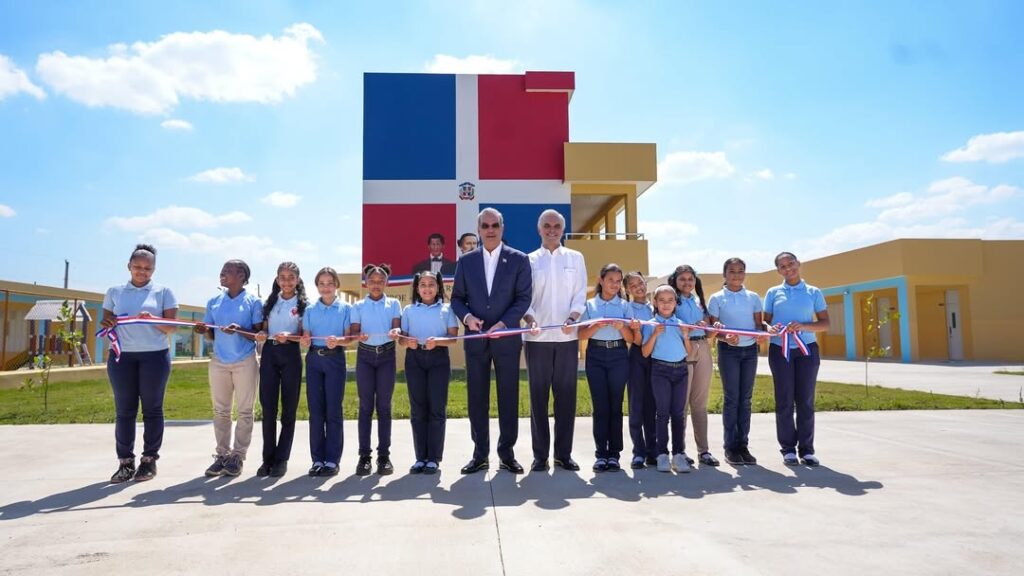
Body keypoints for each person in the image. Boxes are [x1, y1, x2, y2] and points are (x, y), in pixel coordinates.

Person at [450, 207, 532, 474]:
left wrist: (504, 323)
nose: (490, 230)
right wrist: (468, 318)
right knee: (477, 398)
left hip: (506, 340)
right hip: (476, 340)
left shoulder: (519, 260)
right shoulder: (466, 261)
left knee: (508, 396)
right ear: (479, 230)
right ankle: (480, 454)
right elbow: (457, 299)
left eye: (494, 225)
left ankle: (506, 453)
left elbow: (523, 298)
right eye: (485, 226)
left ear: (502, 227)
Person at [102, 244, 178, 483]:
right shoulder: (114, 292)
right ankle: (125, 462)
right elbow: (106, 321)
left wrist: (154, 320)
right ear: (129, 266)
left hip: (155, 356)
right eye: (138, 267)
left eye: (148, 268)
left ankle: (149, 460)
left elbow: (171, 327)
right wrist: (109, 323)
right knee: (124, 411)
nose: (142, 271)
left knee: (152, 409)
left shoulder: (164, 292)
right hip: (121, 357)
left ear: (154, 269)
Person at [523, 209, 587, 472]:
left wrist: (573, 318)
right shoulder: (528, 260)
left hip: (566, 338)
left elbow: (580, 294)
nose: (552, 230)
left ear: (563, 229)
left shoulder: (576, 258)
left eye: (557, 226)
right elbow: (523, 297)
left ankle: (563, 454)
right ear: (539, 229)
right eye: (547, 226)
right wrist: (530, 320)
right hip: (537, 339)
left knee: (566, 398)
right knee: (538, 398)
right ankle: (540, 456)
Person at [195, 259, 264, 478]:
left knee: (245, 410)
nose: (222, 273)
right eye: (222, 270)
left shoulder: (253, 302)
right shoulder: (213, 301)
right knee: (221, 410)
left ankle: (238, 456)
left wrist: (239, 329)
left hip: (245, 360)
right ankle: (222, 455)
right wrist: (202, 330)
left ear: (242, 275)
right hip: (219, 362)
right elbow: (210, 333)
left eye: (228, 271)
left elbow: (258, 334)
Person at [764, 252, 830, 466]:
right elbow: (764, 323)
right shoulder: (773, 293)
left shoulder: (813, 292)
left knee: (805, 400)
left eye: (790, 264)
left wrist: (805, 326)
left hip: (807, 351)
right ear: (778, 271)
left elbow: (825, 323)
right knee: (784, 400)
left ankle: (807, 450)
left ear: (798, 264)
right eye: (782, 266)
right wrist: (770, 328)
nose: (788, 268)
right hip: (779, 350)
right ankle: (788, 449)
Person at [390, 271, 459, 474]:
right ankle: (420, 457)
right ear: (417, 288)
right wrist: (406, 341)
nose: (427, 288)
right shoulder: (409, 310)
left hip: (438, 359)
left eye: (431, 284)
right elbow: (402, 339)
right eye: (423, 285)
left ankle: (434, 458)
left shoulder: (447, 309)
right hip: (415, 360)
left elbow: (453, 338)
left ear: (438, 287)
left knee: (437, 408)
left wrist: (437, 341)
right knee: (418, 408)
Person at [577, 263, 635, 472]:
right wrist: (595, 326)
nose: (614, 284)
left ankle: (615, 454)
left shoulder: (624, 306)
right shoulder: (590, 305)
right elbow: (580, 334)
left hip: (619, 355)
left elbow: (632, 339)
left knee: (615, 405)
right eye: (610, 280)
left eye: (618, 281)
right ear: (601, 280)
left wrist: (622, 328)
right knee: (600, 406)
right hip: (596, 355)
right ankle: (601, 453)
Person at [707, 257, 765, 466]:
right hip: (728, 352)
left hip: (750, 352)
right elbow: (714, 329)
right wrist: (725, 337)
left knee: (746, 399)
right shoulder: (716, 298)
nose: (737, 275)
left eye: (741, 271)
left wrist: (760, 334)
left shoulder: (753, 297)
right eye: (732, 271)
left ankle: (743, 446)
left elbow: (759, 324)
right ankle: (730, 447)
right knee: (732, 398)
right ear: (725, 274)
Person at [254, 262, 308, 478]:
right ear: (277, 280)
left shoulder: (304, 305)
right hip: (269, 354)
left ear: (297, 280)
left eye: (291, 277)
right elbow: (264, 330)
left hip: (291, 355)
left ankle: (281, 459)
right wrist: (260, 334)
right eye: (282, 277)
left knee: (288, 410)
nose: (286, 281)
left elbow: (305, 336)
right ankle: (267, 458)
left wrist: (290, 336)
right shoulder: (269, 302)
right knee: (268, 409)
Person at [300, 267, 354, 477]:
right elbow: (306, 336)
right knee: (316, 411)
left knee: (333, 410)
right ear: (317, 286)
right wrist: (305, 339)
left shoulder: (345, 309)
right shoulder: (310, 310)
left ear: (336, 285)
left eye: (329, 283)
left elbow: (349, 338)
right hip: (314, 360)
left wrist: (339, 340)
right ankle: (317, 460)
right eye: (321, 283)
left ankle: (332, 460)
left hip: (335, 360)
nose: (326, 287)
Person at [350, 264, 402, 476]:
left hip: (387, 356)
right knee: (365, 406)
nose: (376, 285)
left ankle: (384, 456)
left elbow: (397, 327)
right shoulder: (358, 306)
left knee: (384, 406)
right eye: (372, 281)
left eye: (381, 281)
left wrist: (396, 331)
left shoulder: (393, 304)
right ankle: (364, 457)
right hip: (365, 356)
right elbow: (353, 333)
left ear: (386, 283)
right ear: (366, 283)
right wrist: (358, 335)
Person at [669, 265, 718, 467]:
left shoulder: (699, 301)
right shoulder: (672, 300)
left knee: (699, 403)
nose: (687, 282)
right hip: (683, 349)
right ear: (675, 281)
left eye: (690, 279)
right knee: (681, 404)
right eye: (682, 279)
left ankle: (703, 451)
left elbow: (707, 332)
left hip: (703, 348)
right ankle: (679, 450)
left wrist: (713, 329)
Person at [641, 284, 693, 473]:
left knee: (678, 414)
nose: (666, 304)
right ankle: (661, 454)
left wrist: (686, 336)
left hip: (680, 371)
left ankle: (679, 454)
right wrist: (654, 334)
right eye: (661, 300)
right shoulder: (650, 324)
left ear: (675, 303)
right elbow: (645, 352)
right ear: (655, 302)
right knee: (662, 414)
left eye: (670, 300)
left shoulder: (680, 323)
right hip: (660, 371)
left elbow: (688, 352)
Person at [624, 271, 657, 469]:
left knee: (652, 405)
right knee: (636, 404)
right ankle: (638, 451)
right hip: (636, 356)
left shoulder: (655, 307)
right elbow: (634, 338)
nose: (639, 288)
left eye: (641, 283)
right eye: (633, 285)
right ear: (627, 290)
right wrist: (636, 329)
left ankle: (653, 450)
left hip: (656, 357)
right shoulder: (628, 309)